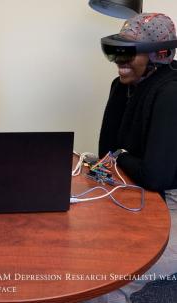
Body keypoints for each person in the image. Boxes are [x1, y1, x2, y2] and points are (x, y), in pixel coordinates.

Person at [89, 12, 177, 303]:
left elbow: (156, 175)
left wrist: (120, 155)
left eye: (128, 53)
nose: (118, 60)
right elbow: (106, 152)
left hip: (171, 202)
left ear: (158, 56)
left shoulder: (170, 93)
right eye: (116, 51)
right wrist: (119, 156)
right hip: (138, 188)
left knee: (110, 280)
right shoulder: (123, 86)